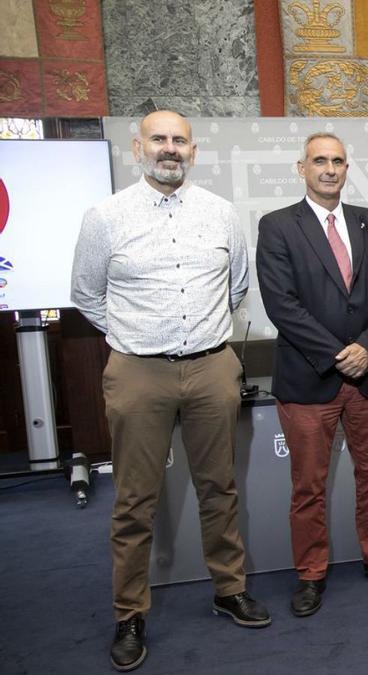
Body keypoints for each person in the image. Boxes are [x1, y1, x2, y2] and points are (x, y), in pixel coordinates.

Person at [70, 110, 269, 672]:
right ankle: (129, 613)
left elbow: (236, 287)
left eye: (179, 140)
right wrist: (134, 337)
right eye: (159, 139)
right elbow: (86, 294)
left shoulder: (221, 214)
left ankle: (229, 591)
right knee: (134, 500)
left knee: (219, 488)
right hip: (139, 370)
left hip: (211, 366)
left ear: (193, 151)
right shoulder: (105, 217)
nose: (170, 149)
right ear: (139, 148)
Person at [256, 133, 368, 618]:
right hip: (310, 378)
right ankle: (310, 573)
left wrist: (366, 348)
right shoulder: (278, 226)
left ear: (347, 169)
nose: (329, 169)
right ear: (301, 168)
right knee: (308, 484)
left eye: (338, 161)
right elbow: (281, 303)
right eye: (320, 161)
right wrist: (336, 354)